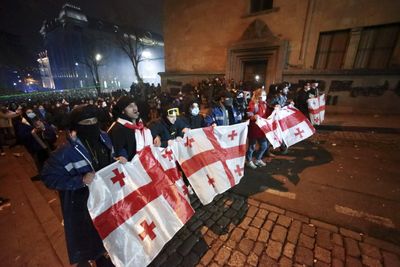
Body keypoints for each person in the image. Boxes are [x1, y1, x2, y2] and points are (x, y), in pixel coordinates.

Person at [41, 104, 115, 266]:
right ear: (76, 126)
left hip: (108, 201)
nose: (91, 125)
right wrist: (80, 180)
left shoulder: (104, 138)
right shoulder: (64, 153)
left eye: (94, 121)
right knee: (95, 246)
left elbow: (111, 157)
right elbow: (48, 178)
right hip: (84, 207)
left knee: (110, 239)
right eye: (86, 122)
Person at [108, 96, 152, 162]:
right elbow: (119, 149)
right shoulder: (118, 128)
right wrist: (123, 155)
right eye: (130, 106)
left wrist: (157, 137)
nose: (135, 109)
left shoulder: (140, 123)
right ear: (123, 111)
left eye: (135, 105)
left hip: (145, 162)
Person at [246, 88, 270, 169]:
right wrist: (253, 116)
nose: (264, 97)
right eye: (262, 95)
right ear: (257, 96)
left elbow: (268, 113)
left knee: (264, 146)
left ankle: (257, 159)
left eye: (264, 95)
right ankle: (249, 161)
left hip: (262, 130)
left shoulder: (265, 104)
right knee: (251, 146)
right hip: (254, 129)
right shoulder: (253, 104)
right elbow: (249, 114)